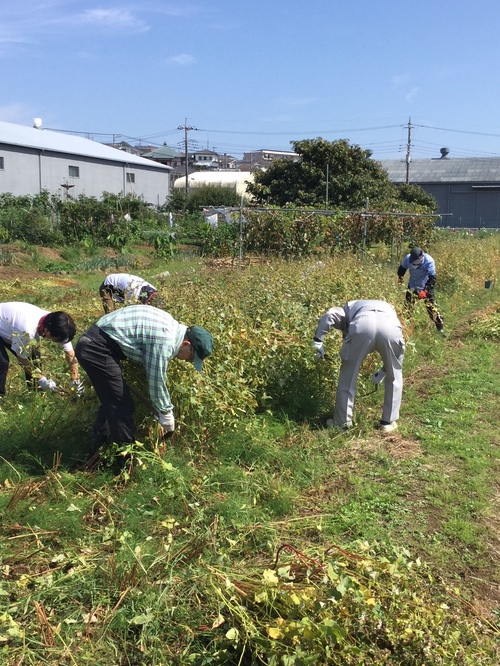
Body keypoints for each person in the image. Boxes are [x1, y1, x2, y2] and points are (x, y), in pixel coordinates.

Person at [75, 305, 214, 459]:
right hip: (97, 348)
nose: (187, 361)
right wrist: (165, 411)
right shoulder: (165, 341)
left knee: (112, 400)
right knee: (121, 405)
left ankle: (97, 453)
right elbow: (156, 381)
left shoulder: (170, 326)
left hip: (96, 342)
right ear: (186, 345)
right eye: (190, 358)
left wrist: (160, 408)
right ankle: (124, 464)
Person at [312, 300, 405, 433]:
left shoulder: (346, 310)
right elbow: (398, 356)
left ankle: (341, 422)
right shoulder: (388, 308)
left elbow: (330, 314)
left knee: (348, 375)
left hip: (362, 325)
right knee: (395, 375)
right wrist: (383, 372)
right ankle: (388, 422)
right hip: (390, 326)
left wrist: (317, 341)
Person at [0, 302, 81, 396]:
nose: (56, 341)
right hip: (8, 326)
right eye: (56, 339)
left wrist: (75, 379)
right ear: (46, 331)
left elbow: (70, 353)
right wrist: (43, 380)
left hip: (8, 327)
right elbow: (22, 360)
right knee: (2, 362)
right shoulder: (27, 331)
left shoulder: (56, 322)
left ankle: (35, 393)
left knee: (34, 357)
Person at [397, 247, 444, 334]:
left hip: (425, 286)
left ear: (421, 257)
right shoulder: (408, 258)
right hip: (412, 286)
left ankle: (440, 329)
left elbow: (432, 278)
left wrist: (425, 291)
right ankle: (404, 329)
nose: (414, 263)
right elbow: (402, 268)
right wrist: (400, 277)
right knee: (407, 308)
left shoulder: (429, 261)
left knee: (432, 308)